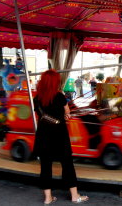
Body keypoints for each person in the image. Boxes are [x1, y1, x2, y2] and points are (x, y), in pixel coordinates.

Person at [33, 70, 89, 205]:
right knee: (67, 164)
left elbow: (39, 115)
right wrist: (64, 116)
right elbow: (67, 113)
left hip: (43, 135)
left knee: (45, 166)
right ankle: (75, 196)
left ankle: (47, 198)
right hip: (59, 135)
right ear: (55, 82)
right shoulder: (60, 96)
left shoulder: (36, 98)